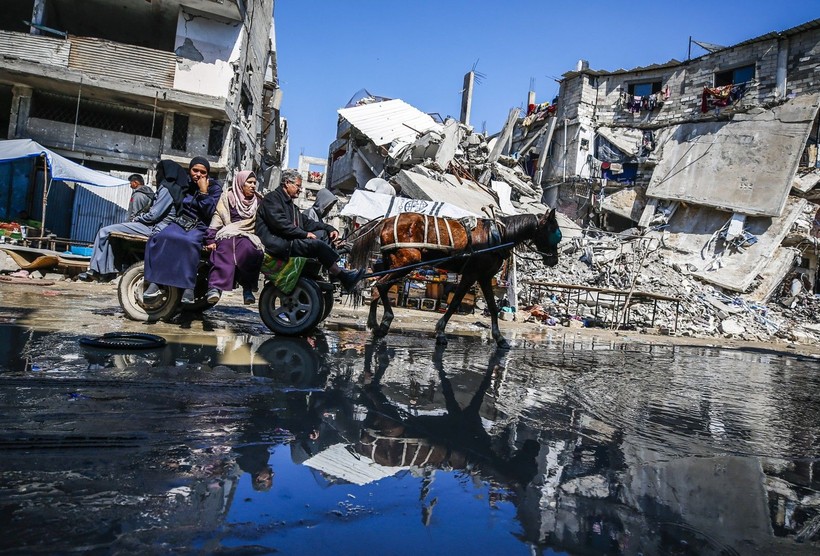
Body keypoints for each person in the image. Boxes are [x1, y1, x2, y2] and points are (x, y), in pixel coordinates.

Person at [255, 169, 364, 293]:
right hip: (276, 242)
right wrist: (305, 234)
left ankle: (334, 274)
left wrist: (329, 228)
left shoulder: (291, 205)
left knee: (321, 237)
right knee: (316, 244)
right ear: (287, 183)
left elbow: (306, 222)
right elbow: (280, 224)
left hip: (286, 240)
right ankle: (341, 276)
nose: (300, 189)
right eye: (298, 186)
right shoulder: (272, 199)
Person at [76, 160, 186, 283]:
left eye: (159, 171)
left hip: (155, 227)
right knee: (112, 234)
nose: (157, 175)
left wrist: (137, 219)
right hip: (157, 226)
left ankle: (96, 270)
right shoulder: (173, 189)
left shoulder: (166, 189)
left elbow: (153, 215)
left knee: (105, 231)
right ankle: (107, 270)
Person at [143, 156, 222, 304]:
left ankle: (188, 287)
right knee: (162, 237)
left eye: (203, 172)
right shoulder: (185, 184)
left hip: (200, 225)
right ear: (190, 170)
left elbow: (209, 212)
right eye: (195, 170)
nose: (198, 175)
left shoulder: (214, 188)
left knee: (189, 241)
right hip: (181, 222)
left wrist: (204, 192)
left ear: (208, 173)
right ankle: (155, 282)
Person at [204, 170, 264, 305]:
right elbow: (218, 217)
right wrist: (210, 239)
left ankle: (247, 289)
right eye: (249, 182)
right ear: (240, 183)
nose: (253, 186)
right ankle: (214, 288)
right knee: (224, 248)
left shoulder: (259, 201)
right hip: (228, 232)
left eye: (254, 183)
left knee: (250, 250)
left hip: (248, 234)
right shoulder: (228, 197)